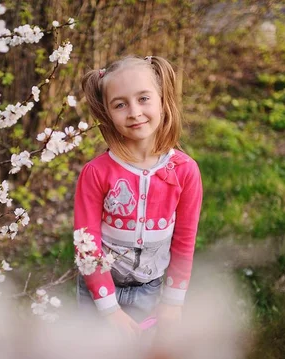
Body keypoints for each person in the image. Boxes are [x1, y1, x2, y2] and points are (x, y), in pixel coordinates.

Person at [74, 55, 203, 338]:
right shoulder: (95, 173)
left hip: (150, 292)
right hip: (98, 293)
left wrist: (172, 301)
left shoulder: (185, 171)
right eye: (120, 104)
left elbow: (184, 240)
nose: (134, 112)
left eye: (143, 98)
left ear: (162, 99)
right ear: (107, 112)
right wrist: (108, 309)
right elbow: (87, 244)